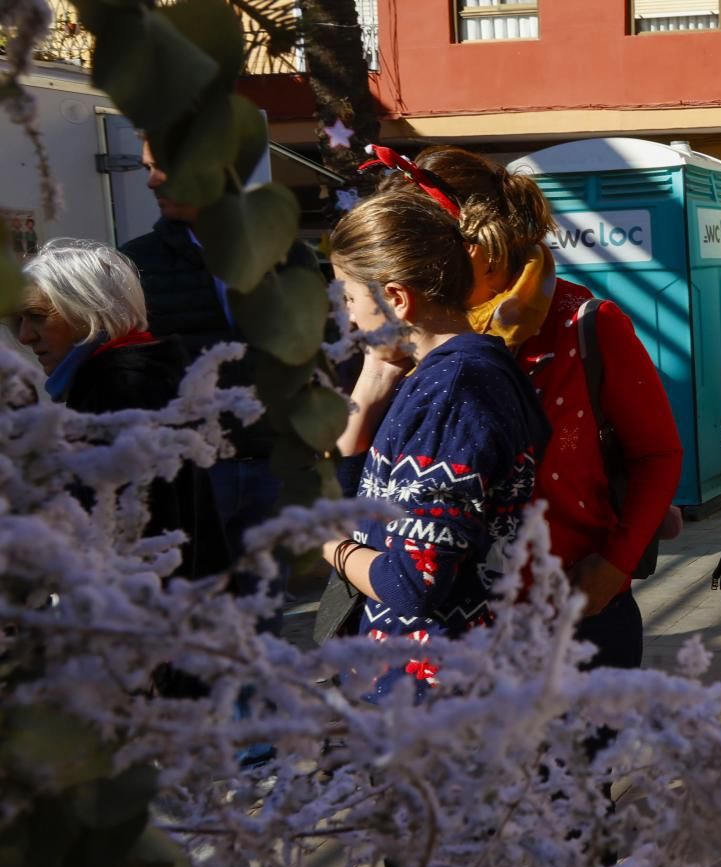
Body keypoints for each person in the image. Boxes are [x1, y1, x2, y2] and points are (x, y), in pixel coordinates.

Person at [346, 145, 683, 669]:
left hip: (572, 618)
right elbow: (356, 481)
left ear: (475, 245)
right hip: (443, 636)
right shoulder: (403, 330)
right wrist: (370, 386)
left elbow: (658, 455)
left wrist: (613, 567)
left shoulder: (585, 325)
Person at [321, 185, 548, 698]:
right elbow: (353, 495)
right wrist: (374, 378)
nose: (350, 318)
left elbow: (412, 583)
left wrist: (329, 546)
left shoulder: (453, 391)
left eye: (351, 298)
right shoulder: (447, 374)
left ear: (397, 298)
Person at [17, 238, 229, 579]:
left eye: (38, 317)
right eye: (19, 321)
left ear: (88, 311)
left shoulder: (119, 393)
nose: (25, 336)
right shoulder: (141, 378)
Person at [121, 140, 278, 561]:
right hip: (190, 476)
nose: (152, 181)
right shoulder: (134, 264)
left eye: (164, 166)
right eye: (146, 168)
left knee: (261, 615)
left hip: (271, 468)